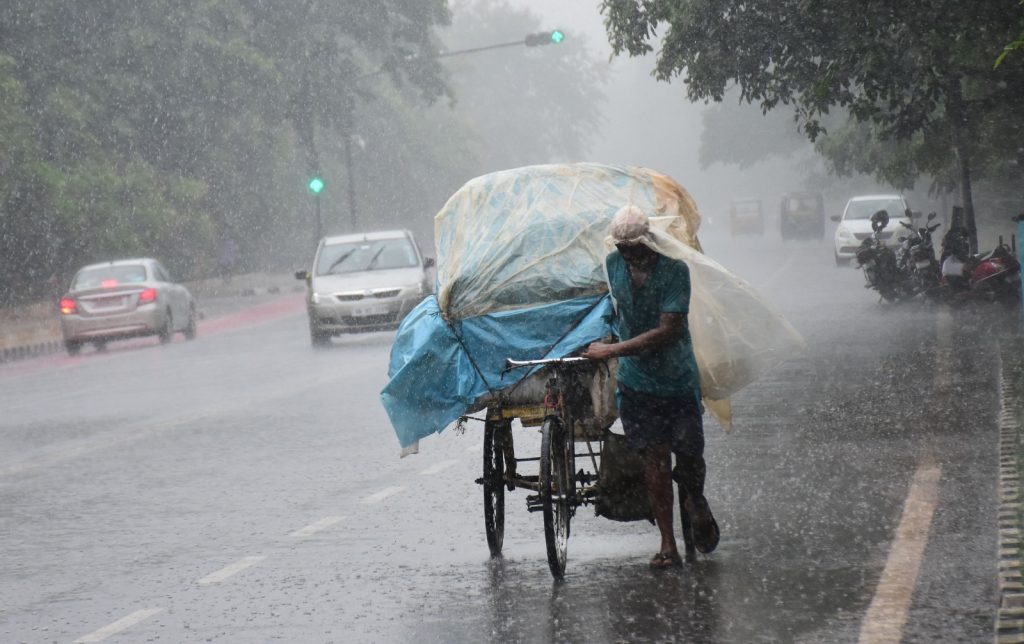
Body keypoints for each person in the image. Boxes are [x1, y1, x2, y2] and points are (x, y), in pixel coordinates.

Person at [582, 205, 719, 568]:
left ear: (648, 243)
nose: (630, 255)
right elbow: (610, 306)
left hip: (676, 380)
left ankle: (696, 499)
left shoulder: (675, 272)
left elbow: (667, 330)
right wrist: (598, 334)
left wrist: (613, 349)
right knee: (655, 461)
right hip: (637, 384)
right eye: (624, 249)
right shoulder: (613, 266)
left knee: (689, 459)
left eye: (635, 248)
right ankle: (667, 543)